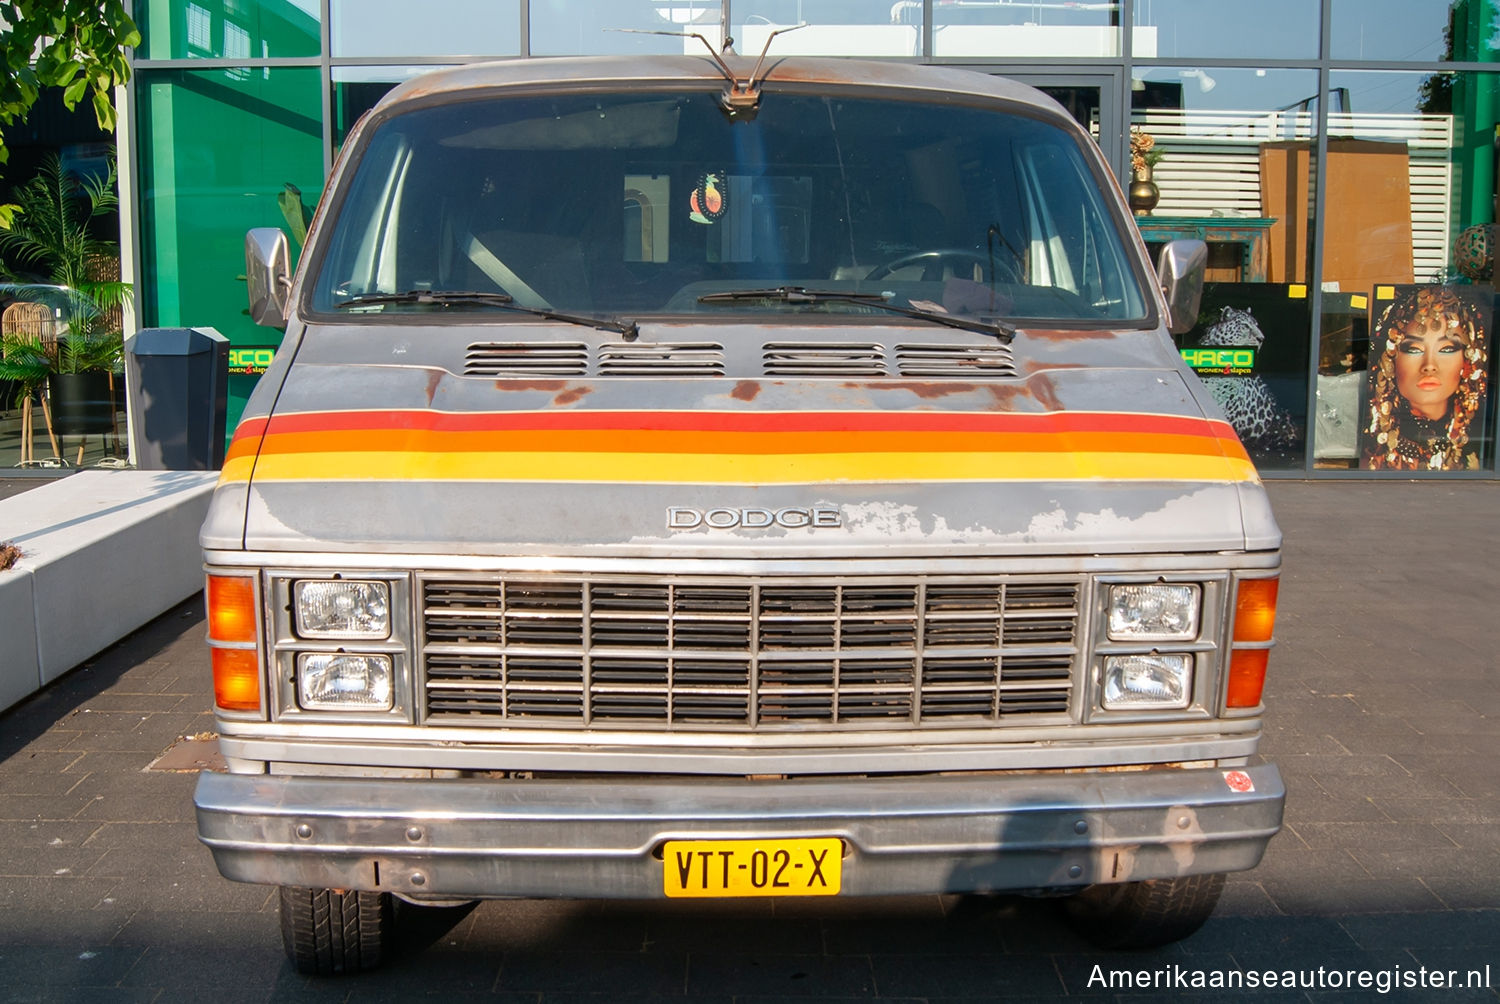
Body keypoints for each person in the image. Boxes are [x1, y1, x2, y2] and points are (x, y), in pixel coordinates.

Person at [1363, 286, 1489, 470]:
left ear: (1467, 358)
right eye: (1413, 349)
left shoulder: (1483, 444)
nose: (1429, 365)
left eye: (1447, 349)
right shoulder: (1369, 450)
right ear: (1391, 359)